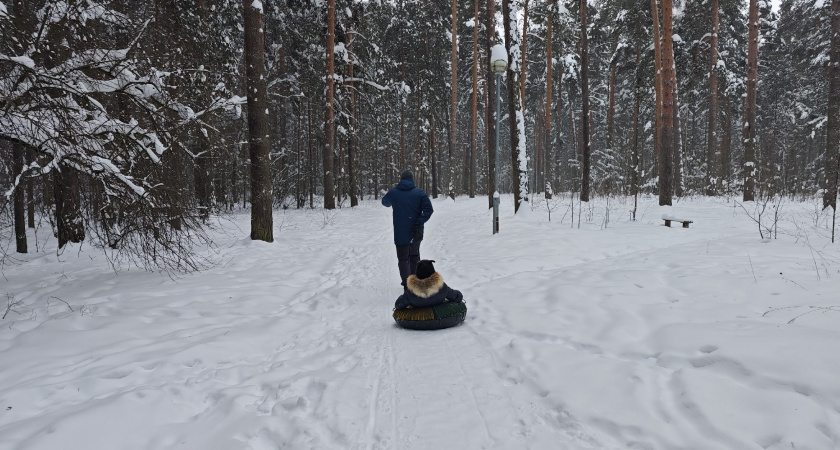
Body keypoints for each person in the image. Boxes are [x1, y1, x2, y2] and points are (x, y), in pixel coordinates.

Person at [381, 170, 433, 288]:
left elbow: (385, 202)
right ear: (412, 179)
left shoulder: (394, 193)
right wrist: (419, 221)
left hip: (400, 233)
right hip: (416, 232)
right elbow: (429, 210)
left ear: (401, 179)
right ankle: (415, 283)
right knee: (414, 256)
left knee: (403, 259)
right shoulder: (420, 193)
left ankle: (407, 284)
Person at [394, 260, 463, 310]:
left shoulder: (411, 292)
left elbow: (398, 305)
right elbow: (457, 297)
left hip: (418, 320)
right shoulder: (442, 287)